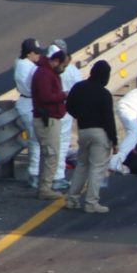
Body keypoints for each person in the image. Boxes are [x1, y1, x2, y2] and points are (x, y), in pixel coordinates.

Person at [64, 60, 117, 214]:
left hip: (83, 130)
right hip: (100, 133)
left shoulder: (79, 87)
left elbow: (69, 107)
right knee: (97, 168)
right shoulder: (104, 94)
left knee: (82, 165)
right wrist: (114, 140)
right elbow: (109, 119)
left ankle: (72, 199)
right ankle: (91, 203)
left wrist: (80, 116)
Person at [45, 39, 83, 191]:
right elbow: (79, 91)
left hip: (45, 111)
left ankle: (45, 177)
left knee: (47, 146)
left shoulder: (43, 69)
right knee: (61, 144)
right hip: (64, 112)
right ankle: (57, 177)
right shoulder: (71, 70)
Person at [30, 49, 68, 200]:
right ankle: (45, 188)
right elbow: (46, 96)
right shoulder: (44, 73)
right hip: (47, 119)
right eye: (63, 65)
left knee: (49, 154)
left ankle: (44, 186)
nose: (64, 69)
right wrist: (63, 95)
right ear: (56, 61)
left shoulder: (47, 72)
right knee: (51, 155)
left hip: (50, 118)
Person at [14, 38, 42, 188]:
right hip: (30, 104)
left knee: (36, 140)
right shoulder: (29, 68)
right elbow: (36, 87)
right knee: (36, 140)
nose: (38, 56)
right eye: (36, 53)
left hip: (24, 103)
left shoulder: (19, 63)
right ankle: (34, 174)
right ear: (30, 53)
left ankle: (35, 172)